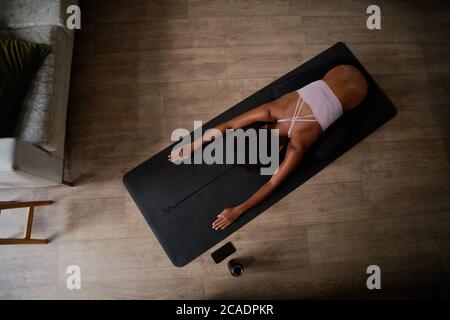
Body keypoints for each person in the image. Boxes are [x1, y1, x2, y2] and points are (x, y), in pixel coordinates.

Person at [169, 64, 368, 230]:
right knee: (279, 92)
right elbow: (229, 126)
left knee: (322, 152)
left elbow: (273, 183)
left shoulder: (298, 144)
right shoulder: (272, 110)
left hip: (359, 97)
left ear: (280, 151)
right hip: (341, 70)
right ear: (262, 128)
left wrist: (239, 210)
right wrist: (192, 145)